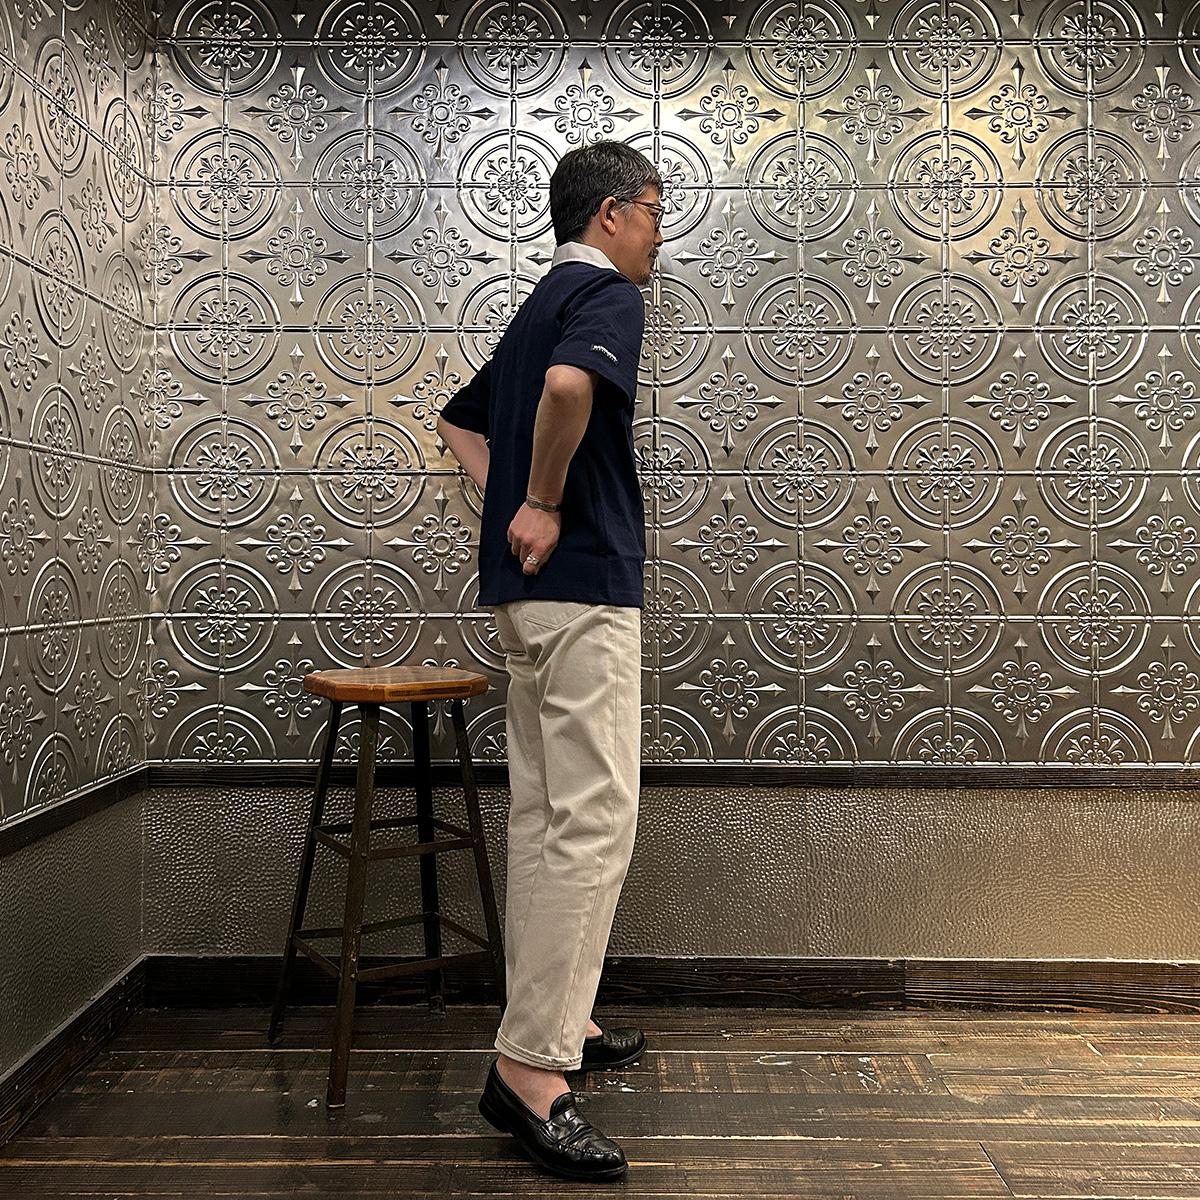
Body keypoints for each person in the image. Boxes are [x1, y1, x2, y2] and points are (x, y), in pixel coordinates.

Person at [436, 139, 664, 1182]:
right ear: (610, 214)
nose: (657, 236)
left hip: (526, 600)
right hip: (582, 590)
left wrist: (510, 512)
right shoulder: (606, 292)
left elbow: (459, 421)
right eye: (652, 212)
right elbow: (571, 388)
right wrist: (539, 501)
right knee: (594, 821)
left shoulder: (538, 302)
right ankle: (531, 1071)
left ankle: (556, 1022)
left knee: (543, 819)